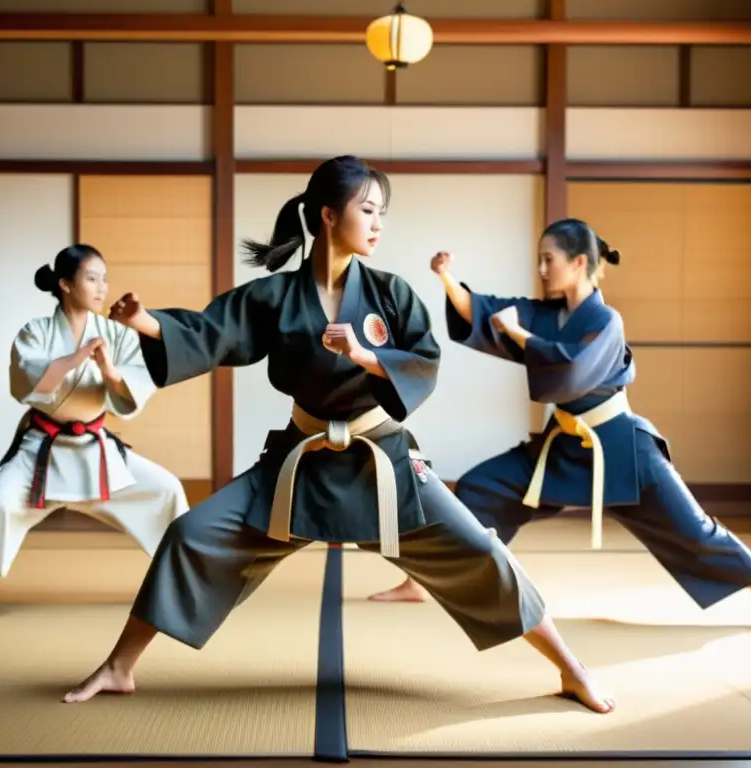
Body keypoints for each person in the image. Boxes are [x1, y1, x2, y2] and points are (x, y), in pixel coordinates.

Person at [61, 156, 615, 714]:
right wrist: (147, 323)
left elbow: (424, 360)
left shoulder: (391, 293)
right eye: (368, 210)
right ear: (328, 216)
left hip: (384, 465)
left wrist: (365, 356)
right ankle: (119, 666)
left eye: (382, 213)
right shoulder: (275, 297)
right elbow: (213, 332)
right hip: (298, 468)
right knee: (191, 534)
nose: (378, 224)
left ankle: (572, 668)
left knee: (481, 550)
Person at [365, 219, 751, 639]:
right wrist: (446, 278)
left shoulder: (606, 321)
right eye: (539, 260)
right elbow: (484, 313)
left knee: (696, 533)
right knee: (481, 488)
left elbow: (572, 368)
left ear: (579, 262)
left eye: (549, 260)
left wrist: (520, 337)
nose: (541, 269)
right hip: (564, 449)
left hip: (621, 450)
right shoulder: (545, 314)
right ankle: (421, 582)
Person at [0, 245, 189, 623]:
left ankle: (180, 587)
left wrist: (109, 370)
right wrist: (78, 358)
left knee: (167, 490)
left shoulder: (117, 333)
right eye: (91, 278)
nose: (101, 287)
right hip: (41, 450)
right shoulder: (36, 332)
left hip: (96, 452)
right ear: (65, 284)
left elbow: (131, 390)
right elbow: (28, 380)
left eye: (104, 278)